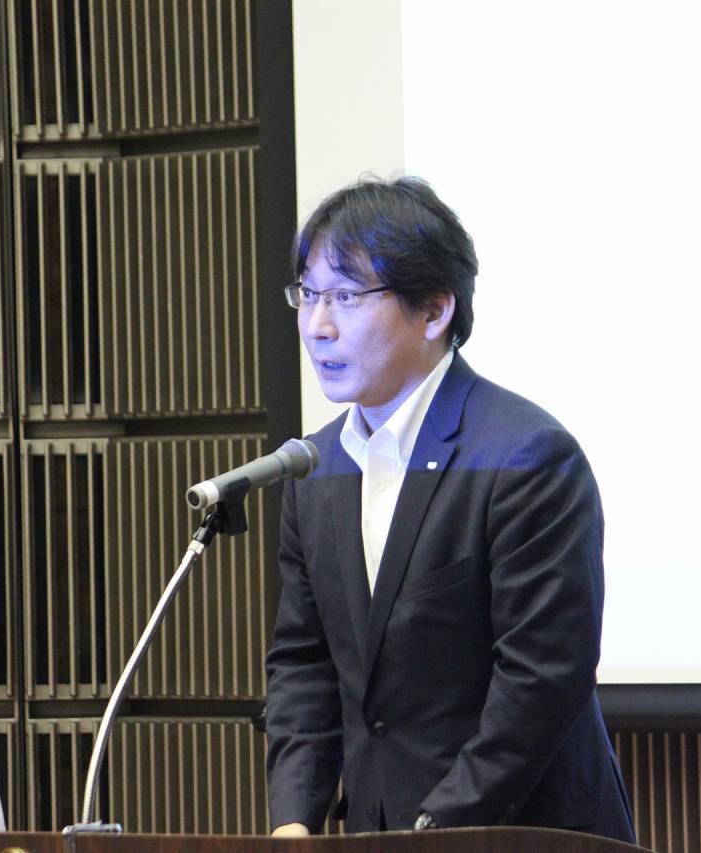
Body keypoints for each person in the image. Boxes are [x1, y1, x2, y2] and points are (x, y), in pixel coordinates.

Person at [263, 176, 636, 842]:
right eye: (309, 294)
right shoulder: (317, 467)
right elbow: (304, 665)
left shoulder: (526, 456)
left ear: (435, 310)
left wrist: (435, 829)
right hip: (379, 832)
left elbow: (541, 680)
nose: (318, 326)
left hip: (517, 833)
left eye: (346, 296)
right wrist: (294, 818)